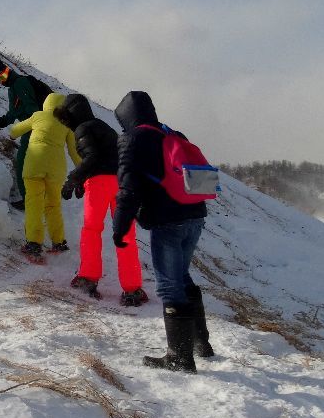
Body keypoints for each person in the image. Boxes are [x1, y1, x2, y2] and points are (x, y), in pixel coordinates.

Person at [111, 91, 213, 373]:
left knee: (169, 284)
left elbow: (128, 189)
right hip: (195, 214)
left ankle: (179, 358)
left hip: (168, 220)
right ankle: (200, 344)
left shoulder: (133, 139)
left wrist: (120, 227)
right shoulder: (171, 132)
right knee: (181, 276)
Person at [56, 94, 149, 307]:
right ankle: (132, 289)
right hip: (122, 183)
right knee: (125, 234)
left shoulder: (82, 129)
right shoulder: (104, 127)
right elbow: (112, 156)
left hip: (99, 184)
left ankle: (88, 278)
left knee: (91, 230)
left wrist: (73, 179)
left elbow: (92, 158)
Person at [2, 92, 81, 258]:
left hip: (35, 165)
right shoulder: (67, 123)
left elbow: (15, 131)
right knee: (53, 205)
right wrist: (83, 170)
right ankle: (59, 242)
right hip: (56, 169)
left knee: (34, 204)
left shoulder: (38, 116)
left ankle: (34, 243)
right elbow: (74, 152)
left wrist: (12, 133)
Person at [0, 59, 41, 210]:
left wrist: (34, 128)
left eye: (1, 78)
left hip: (34, 129)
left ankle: (30, 200)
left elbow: (33, 109)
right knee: (29, 165)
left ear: (7, 72)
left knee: (24, 165)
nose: (1, 82)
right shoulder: (13, 88)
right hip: (29, 129)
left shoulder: (20, 83)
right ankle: (34, 198)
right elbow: (13, 113)